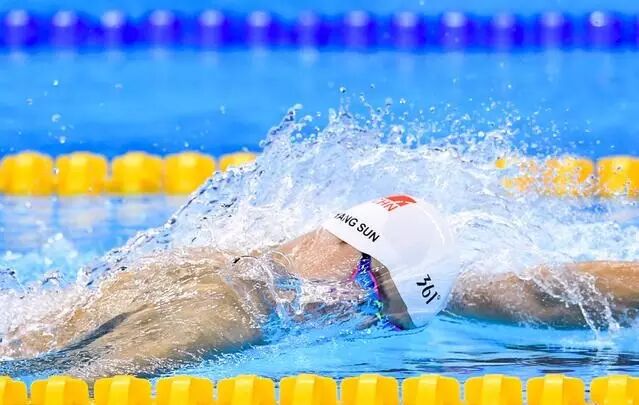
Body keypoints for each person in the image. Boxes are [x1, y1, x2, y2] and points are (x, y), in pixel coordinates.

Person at [1, 194, 637, 379]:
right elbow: (66, 390)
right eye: (369, 291)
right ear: (348, 249)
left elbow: (528, 293)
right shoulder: (221, 316)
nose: (354, 312)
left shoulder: (252, 261)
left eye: (379, 316)